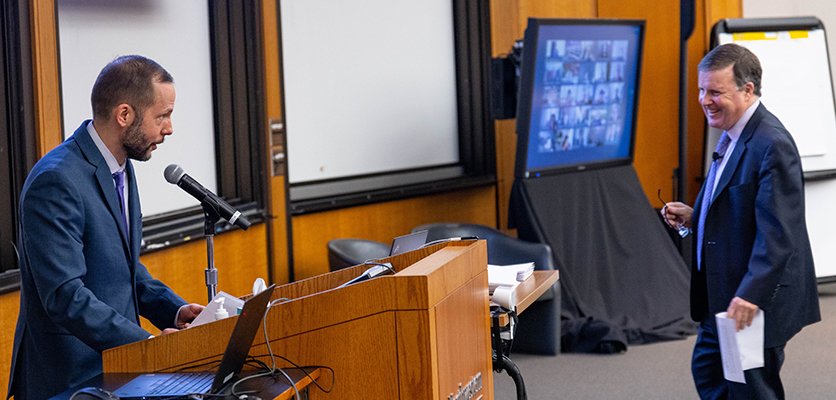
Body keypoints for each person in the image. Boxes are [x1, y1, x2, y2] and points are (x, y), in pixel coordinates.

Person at [8, 55, 205, 399]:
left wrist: (173, 311)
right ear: (124, 114)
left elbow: (124, 268)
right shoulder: (56, 180)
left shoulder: (121, 166)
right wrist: (146, 344)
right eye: (162, 116)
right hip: (67, 376)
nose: (169, 128)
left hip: (116, 369)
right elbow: (64, 295)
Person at [662, 44, 820, 399]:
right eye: (702, 90)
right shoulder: (732, 132)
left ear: (748, 90)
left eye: (715, 92)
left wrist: (751, 296)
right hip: (721, 294)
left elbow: (779, 233)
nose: (705, 100)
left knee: (750, 388)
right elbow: (740, 205)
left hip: (751, 300)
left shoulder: (771, 144)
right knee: (709, 370)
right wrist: (695, 216)